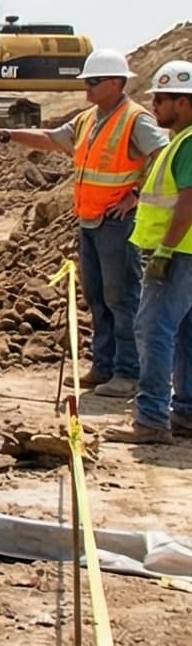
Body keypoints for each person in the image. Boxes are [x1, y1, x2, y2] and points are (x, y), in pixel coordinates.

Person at [0, 49, 162, 391]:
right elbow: (52, 139)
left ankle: (128, 373)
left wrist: (137, 195)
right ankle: (104, 367)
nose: (86, 88)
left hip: (117, 223)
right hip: (89, 221)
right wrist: (10, 134)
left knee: (122, 298)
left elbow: (162, 157)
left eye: (93, 81)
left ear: (116, 83)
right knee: (98, 298)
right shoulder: (89, 119)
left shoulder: (135, 119)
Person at [117, 60, 192, 444]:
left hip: (179, 254)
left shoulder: (189, 143)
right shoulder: (181, 141)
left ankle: (150, 418)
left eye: (161, 99)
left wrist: (164, 250)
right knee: (185, 333)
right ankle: (186, 414)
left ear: (183, 102)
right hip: (185, 253)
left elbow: (187, 202)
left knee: (154, 331)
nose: (155, 106)